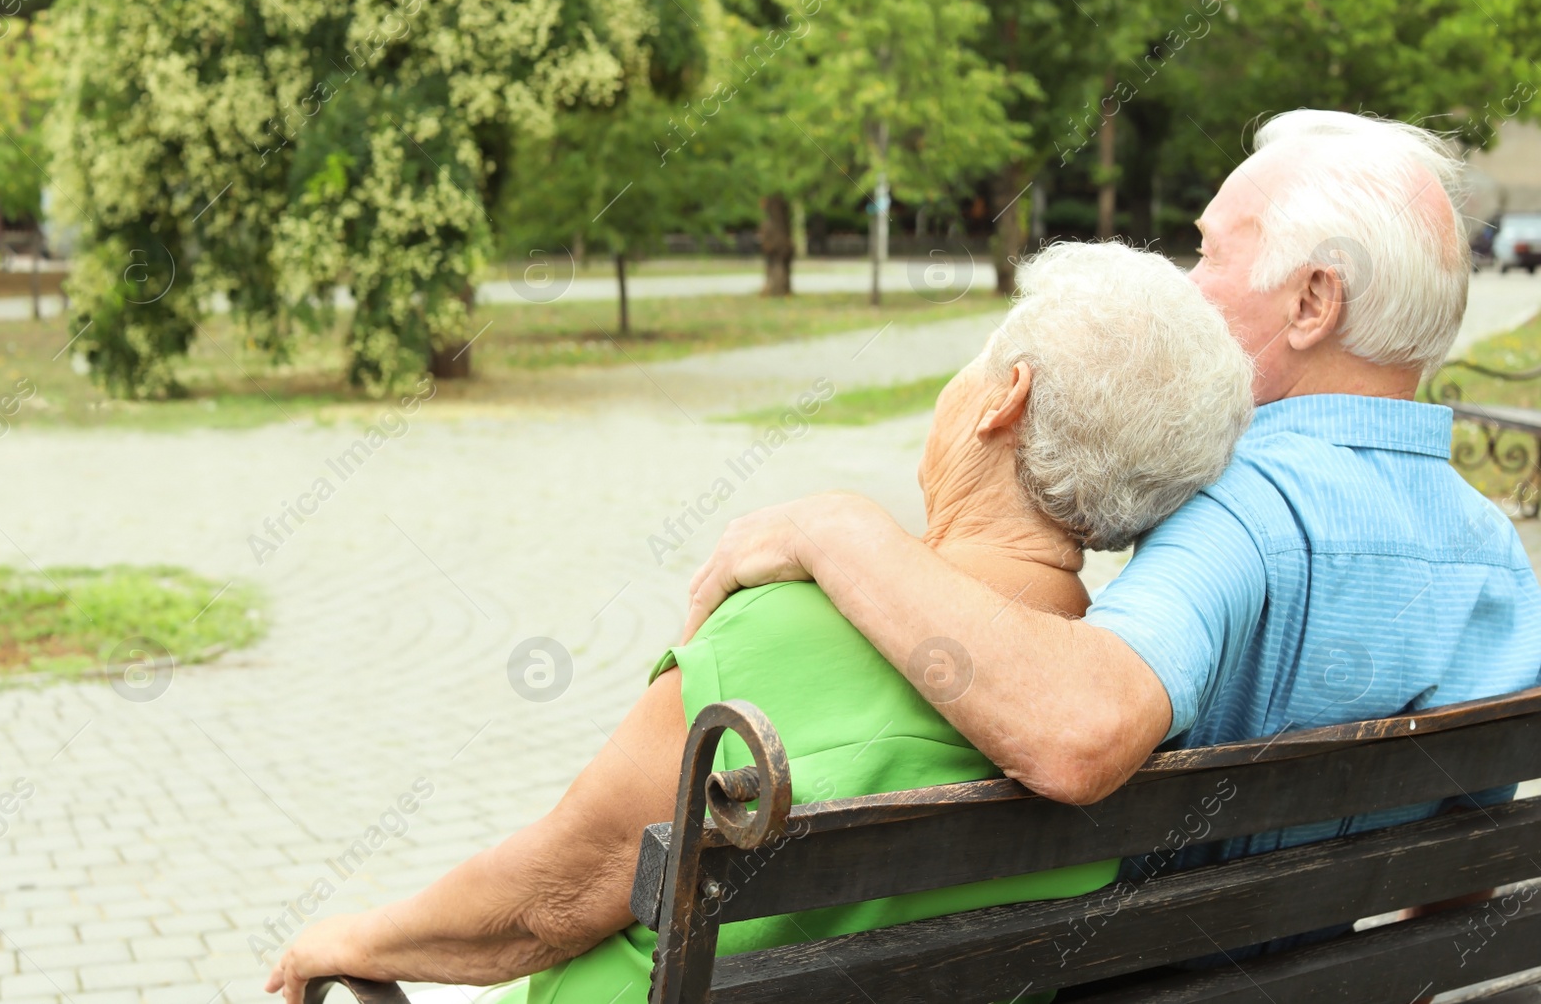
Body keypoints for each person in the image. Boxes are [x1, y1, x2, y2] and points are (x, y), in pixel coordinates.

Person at [263, 240, 1256, 1003]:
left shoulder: (784, 631)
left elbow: (548, 899)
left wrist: (351, 937)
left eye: (973, 363)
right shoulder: (1131, 696)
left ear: (1005, 398)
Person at [682, 112, 1541, 918]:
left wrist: (833, 528)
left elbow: (1077, 731)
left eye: (1207, 253)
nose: (1186, 281)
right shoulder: (1497, 556)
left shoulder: (1244, 509)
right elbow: (1456, 880)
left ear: (1313, 302)